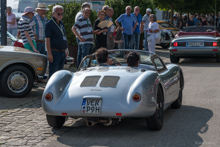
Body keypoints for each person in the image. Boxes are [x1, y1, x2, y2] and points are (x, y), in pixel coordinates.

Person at [45, 5, 68, 78]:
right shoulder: (49, 24)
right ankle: (51, 89)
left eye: (62, 14)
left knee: (60, 74)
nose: (60, 15)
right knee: (53, 74)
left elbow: (63, 36)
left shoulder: (61, 23)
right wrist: (49, 53)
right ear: (53, 13)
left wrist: (65, 49)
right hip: (54, 52)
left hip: (62, 52)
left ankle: (58, 88)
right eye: (58, 14)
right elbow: (47, 39)